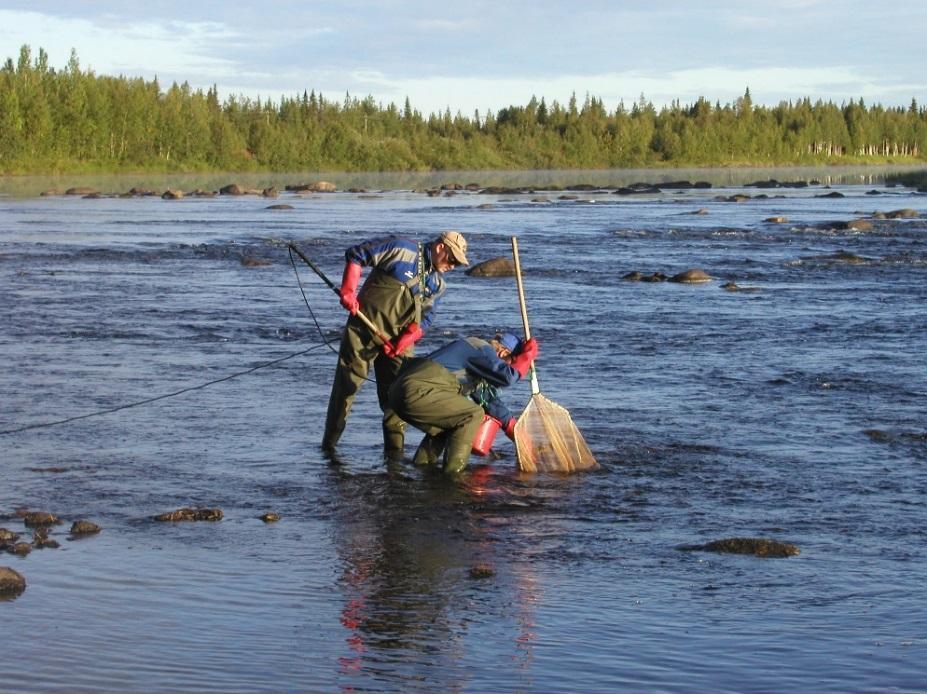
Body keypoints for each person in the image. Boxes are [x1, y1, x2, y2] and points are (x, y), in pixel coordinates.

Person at [322, 230, 469, 458]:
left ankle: (394, 456)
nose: (453, 266)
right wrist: (349, 291)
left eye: (457, 264)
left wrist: (405, 340)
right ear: (440, 247)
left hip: (397, 344)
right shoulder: (401, 248)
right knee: (346, 388)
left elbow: (426, 319)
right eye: (452, 259)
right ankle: (328, 448)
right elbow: (357, 254)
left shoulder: (438, 285)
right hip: (362, 330)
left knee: (396, 399)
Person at [387, 332, 539, 474]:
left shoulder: (477, 364)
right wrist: (527, 356)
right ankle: (454, 477)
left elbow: (493, 405)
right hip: (416, 390)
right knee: (473, 415)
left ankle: (421, 468)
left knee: (447, 426)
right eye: (511, 362)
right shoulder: (482, 349)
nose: (508, 366)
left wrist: (523, 441)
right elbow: (508, 377)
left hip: (398, 393)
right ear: (503, 353)